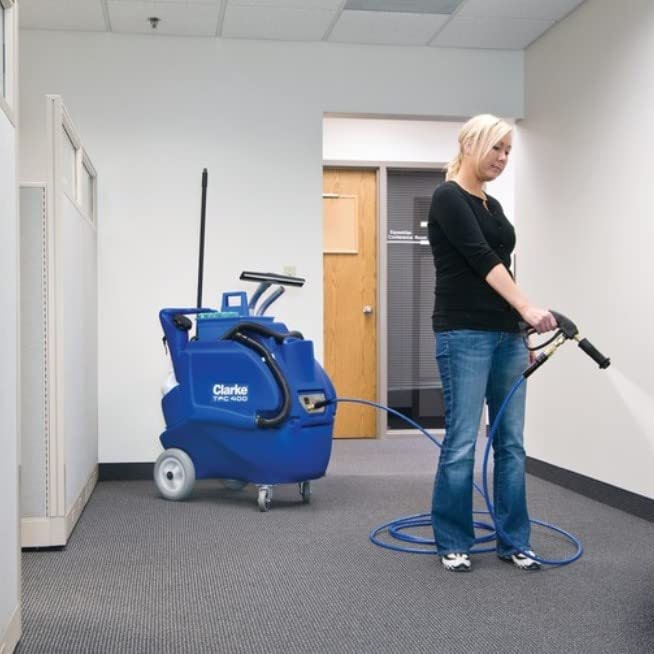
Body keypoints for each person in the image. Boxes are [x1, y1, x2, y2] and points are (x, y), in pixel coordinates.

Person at [428, 114, 556, 573]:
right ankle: (453, 541)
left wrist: (521, 330)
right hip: (463, 334)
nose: (502, 158)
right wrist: (528, 307)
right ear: (469, 145)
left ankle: (514, 541)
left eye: (508, 151)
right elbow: (482, 260)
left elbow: (505, 267)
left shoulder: (494, 208)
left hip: (505, 337)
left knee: (512, 443)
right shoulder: (448, 198)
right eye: (495, 148)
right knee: (462, 441)